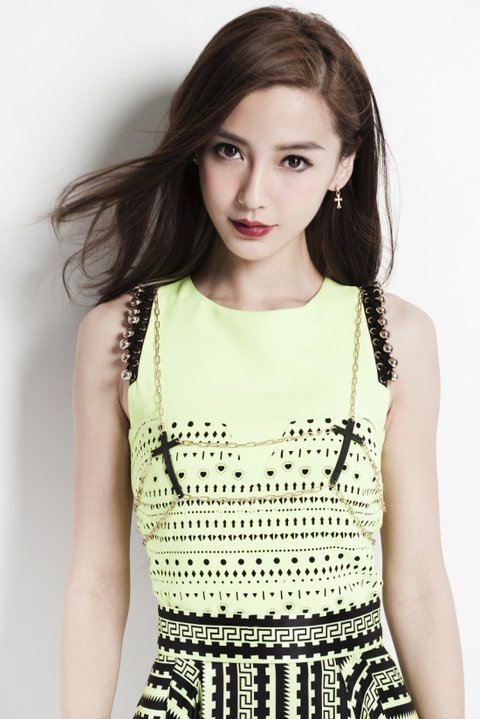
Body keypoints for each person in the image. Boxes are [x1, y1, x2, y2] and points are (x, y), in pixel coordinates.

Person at [51, 6, 464, 718]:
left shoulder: (393, 336)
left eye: (294, 160)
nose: (253, 195)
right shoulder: (123, 335)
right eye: (228, 150)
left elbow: (421, 581)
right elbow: (95, 581)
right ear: (195, 150)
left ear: (343, 166)